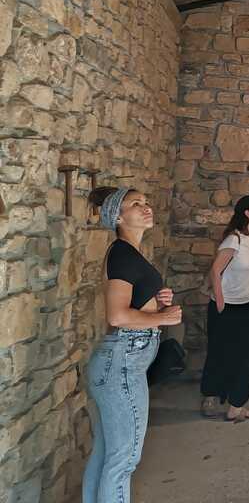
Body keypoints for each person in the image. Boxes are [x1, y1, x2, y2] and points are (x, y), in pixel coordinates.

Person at [83, 186, 182, 503]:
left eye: (146, 202)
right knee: (123, 461)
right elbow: (118, 315)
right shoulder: (123, 254)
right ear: (117, 216)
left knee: (106, 455)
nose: (145, 207)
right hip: (122, 364)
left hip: (119, 361)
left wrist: (156, 300)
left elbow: (131, 304)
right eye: (135, 204)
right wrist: (162, 318)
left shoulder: (128, 253)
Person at [200, 195, 249, 422]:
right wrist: (220, 301)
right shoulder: (234, 239)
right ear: (247, 213)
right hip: (226, 307)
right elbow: (215, 270)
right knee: (219, 352)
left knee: (246, 357)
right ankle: (210, 396)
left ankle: (237, 406)